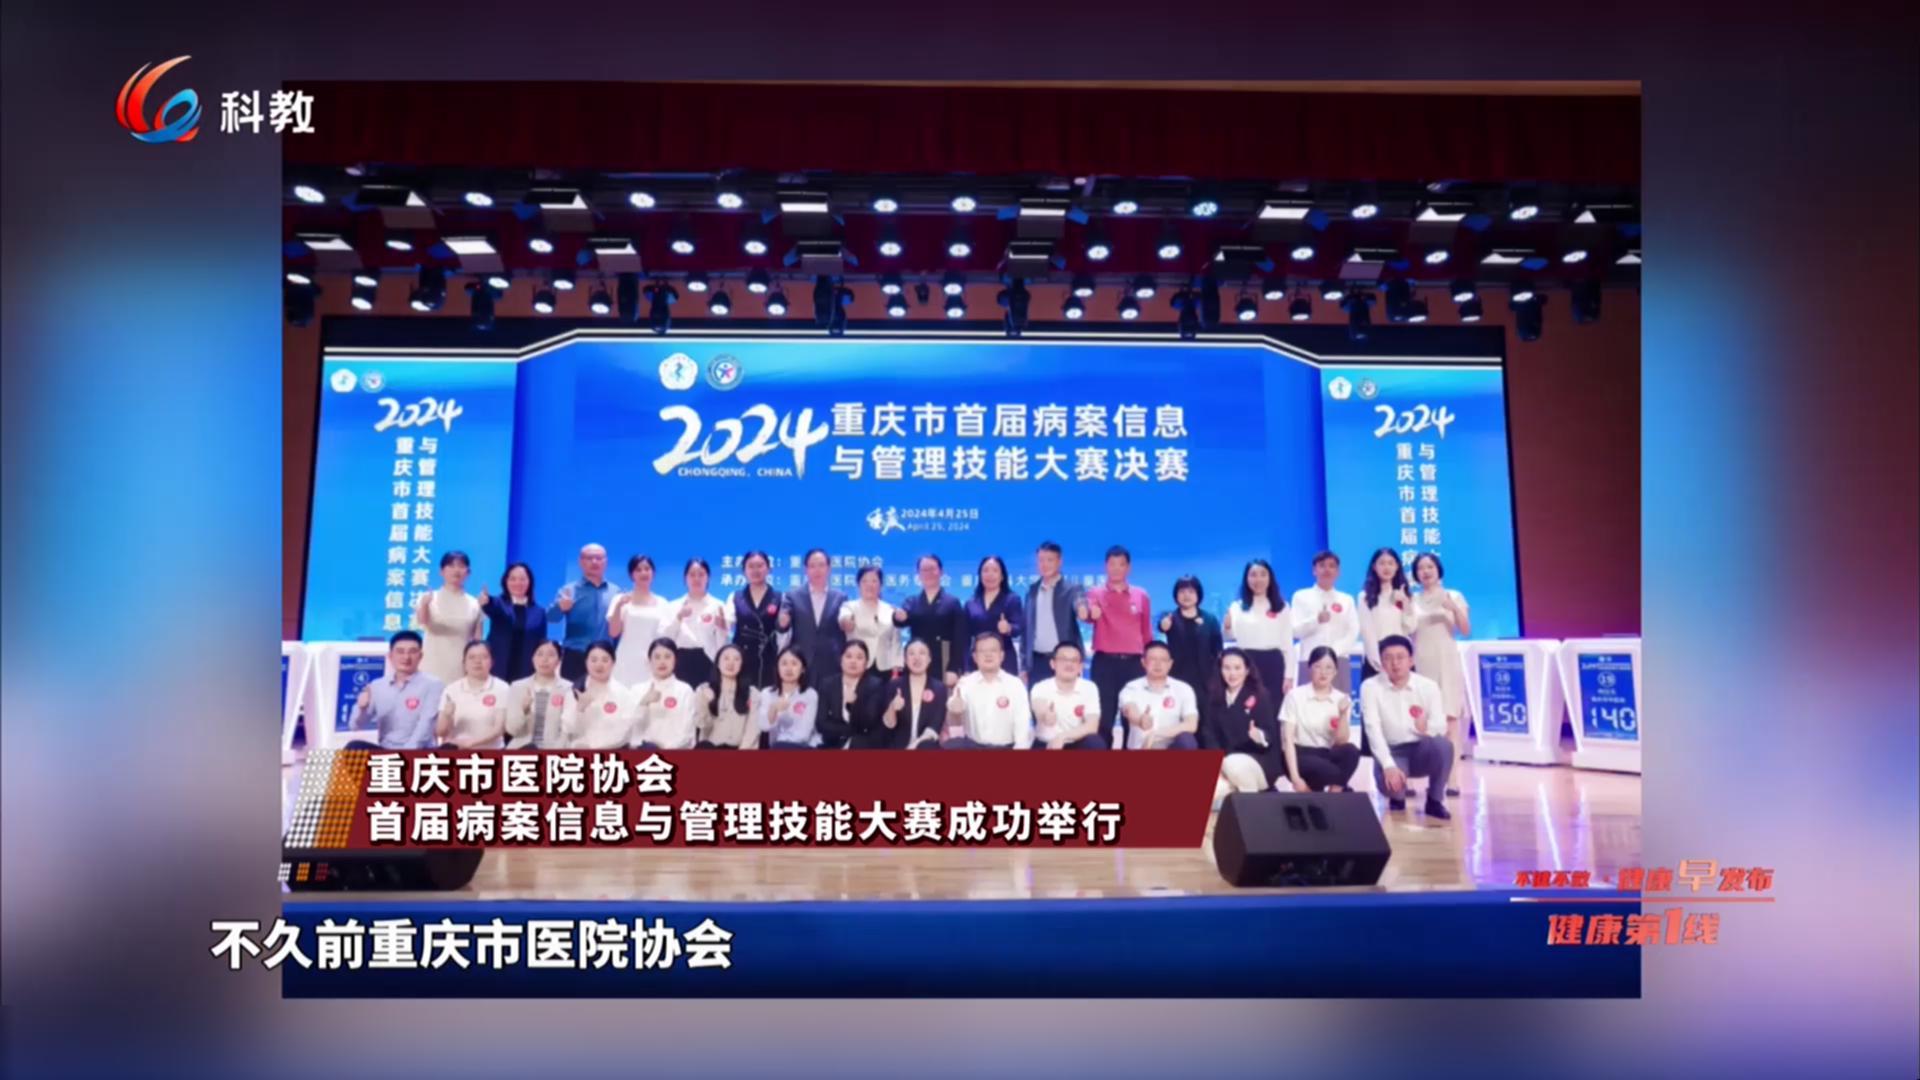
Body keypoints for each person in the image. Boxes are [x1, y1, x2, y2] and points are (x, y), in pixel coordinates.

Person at [1361, 635, 1453, 820]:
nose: (1395, 663)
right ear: (1381, 663)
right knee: (1392, 789)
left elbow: (1441, 726)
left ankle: (1434, 800)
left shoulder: (1428, 686)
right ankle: (1397, 798)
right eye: (1388, 658)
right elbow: (1372, 729)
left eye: (1400, 657)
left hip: (1420, 748)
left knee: (1444, 746)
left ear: (1411, 661)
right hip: (1392, 751)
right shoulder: (1370, 687)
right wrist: (1388, 765)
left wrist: (1426, 728)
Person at [1410, 552, 1473, 785]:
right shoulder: (1412, 600)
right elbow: (1407, 630)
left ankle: (1452, 778)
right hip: (1421, 662)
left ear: (1438, 570)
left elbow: (1465, 630)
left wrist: (1454, 608)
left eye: (1430, 567)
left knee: (1450, 720)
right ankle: (1426, 775)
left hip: (1447, 662)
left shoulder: (1453, 595)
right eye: (1421, 568)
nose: (1426, 572)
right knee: (1424, 719)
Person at [1084, 545, 1154, 749]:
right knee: (1104, 718)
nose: (1116, 569)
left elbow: (1146, 632)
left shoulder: (1141, 595)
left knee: (1131, 719)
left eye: (1121, 564)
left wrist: (1149, 661)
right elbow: (1087, 614)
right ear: (1105, 566)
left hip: (1134, 664)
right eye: (1112, 564)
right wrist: (1090, 612)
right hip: (1104, 663)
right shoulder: (1095, 593)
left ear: (1128, 567)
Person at [1203, 648, 1284, 799]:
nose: (1232, 673)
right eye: (1227, 668)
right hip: (1224, 763)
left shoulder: (1260, 695)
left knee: (1234, 765)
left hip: (1258, 761)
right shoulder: (1214, 697)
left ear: (1247, 670)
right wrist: (1218, 764)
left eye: (1237, 668)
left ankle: (1252, 808)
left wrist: (1259, 736)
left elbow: (1270, 734)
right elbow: (1209, 734)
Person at [1281, 646, 1365, 792]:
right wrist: (1295, 779)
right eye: (1318, 666)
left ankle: (1333, 794)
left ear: (1335, 671)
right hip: (1300, 754)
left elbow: (1341, 741)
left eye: (1329, 667)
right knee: (1328, 770)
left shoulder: (1341, 698)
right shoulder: (1295, 696)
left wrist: (1343, 714)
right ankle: (1333, 789)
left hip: (1326, 753)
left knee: (1352, 752)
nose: (1323, 672)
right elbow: (1287, 740)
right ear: (1309, 668)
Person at [346, 630, 444, 749]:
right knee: (353, 747)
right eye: (400, 651)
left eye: (412, 652)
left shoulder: (433, 684)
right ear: (390, 656)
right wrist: (362, 709)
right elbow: (354, 726)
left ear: (420, 656)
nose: (406, 657)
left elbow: (425, 726)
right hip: (386, 750)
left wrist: (405, 754)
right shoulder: (377, 686)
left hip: (419, 751)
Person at [944, 633, 1034, 749]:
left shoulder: (1015, 685)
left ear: (1002, 655)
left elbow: (1023, 727)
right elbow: (953, 720)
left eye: (993, 650)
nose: (988, 655)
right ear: (975, 657)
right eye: (982, 651)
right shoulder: (965, 683)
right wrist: (954, 711)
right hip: (974, 747)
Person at [548, 543, 617, 688]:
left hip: (605, 657)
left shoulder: (616, 592)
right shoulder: (568, 590)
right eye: (589, 558)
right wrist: (560, 607)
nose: (594, 562)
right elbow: (551, 618)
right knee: (572, 697)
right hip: (576, 656)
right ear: (580, 562)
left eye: (599, 558)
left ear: (606, 562)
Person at [1224, 559, 1295, 699]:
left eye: (1263, 574)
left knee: (1273, 706)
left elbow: (1287, 643)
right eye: (1253, 575)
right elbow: (1230, 637)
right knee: (1247, 705)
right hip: (1246, 664)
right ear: (1246, 579)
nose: (1258, 579)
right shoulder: (1237, 606)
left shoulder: (1282, 607)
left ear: (1270, 578)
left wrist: (1289, 676)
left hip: (1273, 663)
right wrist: (1226, 627)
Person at [892, 554, 968, 684]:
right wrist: (898, 617)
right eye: (924, 570)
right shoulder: (912, 601)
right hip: (918, 658)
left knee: (942, 695)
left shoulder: (952, 602)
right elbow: (900, 621)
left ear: (941, 572)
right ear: (918, 574)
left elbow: (960, 638)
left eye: (932, 569)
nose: (928, 573)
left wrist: (955, 667)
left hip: (944, 658)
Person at [1290, 550, 1360, 691]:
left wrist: (1333, 652)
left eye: (1331, 566)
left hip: (1339, 659)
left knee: (1340, 702)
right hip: (1309, 659)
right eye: (1322, 565)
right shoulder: (1301, 597)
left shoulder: (1346, 600)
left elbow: (1353, 631)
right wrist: (1316, 620)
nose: (1327, 569)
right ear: (1314, 570)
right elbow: (1294, 630)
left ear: (1338, 572)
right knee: (1307, 702)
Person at [1117, 641, 1201, 750]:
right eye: (1153, 659)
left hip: (1171, 747)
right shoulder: (1131, 688)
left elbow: (1191, 724)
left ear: (1170, 664)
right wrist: (1141, 720)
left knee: (1187, 740)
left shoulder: (1183, 688)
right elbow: (1130, 709)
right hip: (1143, 747)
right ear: (1143, 662)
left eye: (1163, 660)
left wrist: (1157, 734)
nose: (1158, 664)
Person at [1022, 540, 1086, 683]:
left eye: (1050, 560)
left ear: (1059, 562)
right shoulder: (1032, 591)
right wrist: (1024, 666)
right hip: (1036, 662)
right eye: (1041, 560)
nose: (1045, 564)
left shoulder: (1072, 589)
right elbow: (1026, 631)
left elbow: (1080, 601)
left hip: (1064, 661)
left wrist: (1082, 609)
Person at [415, 550, 483, 684]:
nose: (456, 570)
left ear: (468, 572)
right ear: (441, 571)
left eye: (461, 566)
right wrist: (425, 605)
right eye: (451, 566)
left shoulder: (474, 603)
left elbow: (477, 640)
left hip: (461, 668)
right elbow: (422, 621)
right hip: (432, 665)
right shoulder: (428, 598)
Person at [779, 548, 847, 679]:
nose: (817, 570)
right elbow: (782, 625)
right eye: (812, 566)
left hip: (831, 662)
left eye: (821, 565)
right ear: (806, 569)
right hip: (801, 662)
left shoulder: (840, 597)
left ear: (829, 568)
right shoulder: (793, 596)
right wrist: (782, 623)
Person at [1026, 641, 1107, 750]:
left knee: (1095, 743)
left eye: (1074, 660)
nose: (1069, 664)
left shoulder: (1089, 688)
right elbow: (1039, 706)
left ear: (1080, 666)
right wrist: (1045, 715)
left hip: (1076, 742)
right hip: (1047, 743)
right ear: (1053, 664)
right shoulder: (1040, 687)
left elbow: (1092, 725)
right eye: (1063, 659)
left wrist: (1063, 737)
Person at [608, 554, 672, 687]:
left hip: (653, 660)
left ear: (653, 573)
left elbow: (666, 636)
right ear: (631, 575)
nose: (643, 573)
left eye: (647, 569)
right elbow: (613, 632)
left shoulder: (663, 603)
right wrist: (619, 606)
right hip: (626, 659)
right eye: (638, 569)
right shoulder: (620, 599)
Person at [479, 561, 547, 683]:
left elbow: (541, 644)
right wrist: (486, 602)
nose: (518, 583)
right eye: (513, 579)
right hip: (497, 671)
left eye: (522, 579)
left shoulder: (539, 612)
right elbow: (491, 608)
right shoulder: (498, 603)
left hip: (527, 673)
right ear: (505, 582)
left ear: (529, 582)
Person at [565, 640, 641, 750]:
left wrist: (598, 747)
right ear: (586, 662)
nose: (599, 665)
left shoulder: (623, 693)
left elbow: (626, 729)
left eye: (605, 660)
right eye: (594, 660)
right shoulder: (575, 690)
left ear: (613, 663)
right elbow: (568, 729)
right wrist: (579, 709)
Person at [1358, 546, 1417, 686]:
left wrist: (1405, 603)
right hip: (1376, 659)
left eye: (1391, 563)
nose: (1387, 567)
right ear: (1374, 567)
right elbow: (1367, 631)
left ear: (1397, 567)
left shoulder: (1405, 595)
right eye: (1382, 563)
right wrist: (1377, 661)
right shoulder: (1365, 597)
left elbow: (1410, 627)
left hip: (1400, 659)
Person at [435, 640, 510, 749]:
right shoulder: (451, 689)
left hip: (491, 751)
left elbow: (499, 729)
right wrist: (446, 715)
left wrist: (471, 743)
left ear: (492, 662)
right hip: (457, 750)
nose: (477, 661)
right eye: (471, 657)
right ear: (464, 663)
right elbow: (440, 732)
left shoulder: (502, 688)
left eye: (483, 657)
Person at [669, 557, 729, 687]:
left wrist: (723, 629)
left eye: (701, 574)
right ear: (685, 578)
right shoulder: (674, 606)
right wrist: (678, 617)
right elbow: (667, 638)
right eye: (692, 575)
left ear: (708, 578)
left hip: (709, 661)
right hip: (680, 661)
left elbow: (722, 643)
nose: (697, 579)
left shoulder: (717, 605)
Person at [962, 555, 1025, 677]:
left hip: (1004, 659)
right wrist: (965, 667)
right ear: (980, 575)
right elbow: (964, 638)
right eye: (985, 571)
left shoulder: (1012, 599)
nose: (990, 575)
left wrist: (1008, 628)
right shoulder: (971, 602)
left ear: (1002, 576)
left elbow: (1019, 628)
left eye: (995, 570)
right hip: (977, 659)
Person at [727, 550, 783, 689]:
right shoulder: (735, 597)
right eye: (751, 566)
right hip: (742, 659)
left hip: (770, 658)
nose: (755, 570)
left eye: (760, 566)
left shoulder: (780, 597)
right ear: (744, 571)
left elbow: (784, 633)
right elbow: (728, 624)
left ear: (769, 569)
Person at [1160, 574, 1223, 693]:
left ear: (1198, 594)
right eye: (1182, 592)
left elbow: (1218, 649)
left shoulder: (1210, 619)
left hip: (1206, 680)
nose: (1186, 595)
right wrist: (1163, 627)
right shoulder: (1170, 618)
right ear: (1176, 595)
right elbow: (1161, 628)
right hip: (1177, 678)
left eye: (1191, 591)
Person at [881, 638, 949, 749]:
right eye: (911, 653)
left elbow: (934, 728)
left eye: (922, 653)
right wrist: (893, 707)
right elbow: (888, 725)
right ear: (905, 660)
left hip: (925, 746)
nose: (917, 657)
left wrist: (913, 747)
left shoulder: (939, 688)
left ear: (929, 659)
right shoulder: (894, 685)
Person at [506, 639, 574, 749]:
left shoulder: (568, 689)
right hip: (521, 748)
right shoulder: (518, 687)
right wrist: (523, 710)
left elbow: (568, 730)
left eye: (551, 655)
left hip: (554, 749)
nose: (544, 659)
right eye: (540, 654)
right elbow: (512, 730)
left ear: (559, 660)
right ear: (533, 658)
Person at [633, 637, 699, 750]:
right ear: (649, 661)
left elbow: (688, 732)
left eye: (667, 657)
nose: (662, 662)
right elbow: (631, 730)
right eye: (657, 657)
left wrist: (668, 750)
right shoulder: (638, 690)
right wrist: (643, 703)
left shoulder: (685, 690)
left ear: (675, 660)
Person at [817, 640, 885, 749]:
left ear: (866, 663)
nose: (853, 661)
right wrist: (849, 731)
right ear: (841, 660)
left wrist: (853, 705)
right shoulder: (828, 684)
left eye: (859, 658)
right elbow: (821, 723)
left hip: (862, 745)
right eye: (848, 656)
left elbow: (869, 724)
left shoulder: (875, 686)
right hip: (832, 742)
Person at [839, 566, 902, 675]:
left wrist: (896, 669)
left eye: (874, 581)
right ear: (858, 585)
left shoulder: (890, 609)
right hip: (857, 665)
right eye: (865, 581)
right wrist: (846, 622)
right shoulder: (849, 607)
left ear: (881, 585)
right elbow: (843, 620)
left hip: (885, 667)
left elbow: (896, 641)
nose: (869, 585)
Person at [697, 644, 759, 749]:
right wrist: (706, 703)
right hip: (710, 750)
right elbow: (703, 725)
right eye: (726, 658)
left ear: (742, 664)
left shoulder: (752, 693)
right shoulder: (704, 690)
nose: (731, 663)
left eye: (736, 659)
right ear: (717, 663)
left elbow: (752, 730)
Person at [758, 647, 820, 749]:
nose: (789, 668)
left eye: (794, 664)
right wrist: (773, 709)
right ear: (777, 668)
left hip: (803, 747)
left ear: (803, 669)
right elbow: (764, 727)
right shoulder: (767, 693)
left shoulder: (810, 694)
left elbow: (803, 734)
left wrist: (781, 743)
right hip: (776, 748)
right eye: (784, 664)